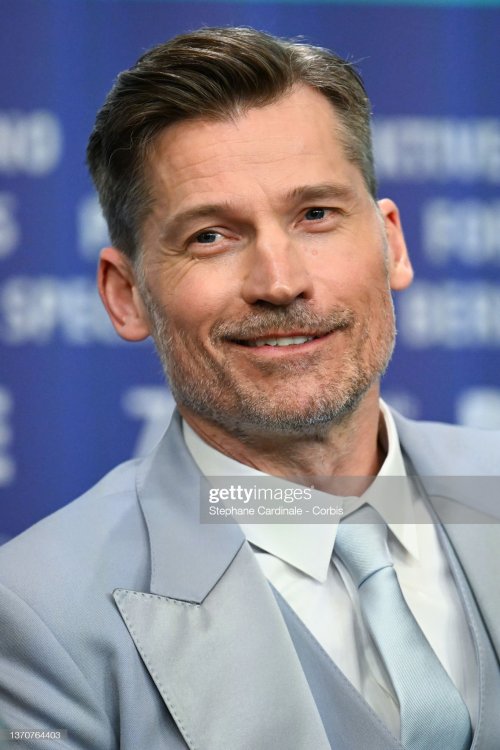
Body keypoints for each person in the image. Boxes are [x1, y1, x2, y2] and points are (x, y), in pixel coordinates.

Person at [0, 27, 499, 750]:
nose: (280, 281)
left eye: (316, 215)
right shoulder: (33, 611)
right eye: (210, 235)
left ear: (391, 241)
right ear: (126, 293)